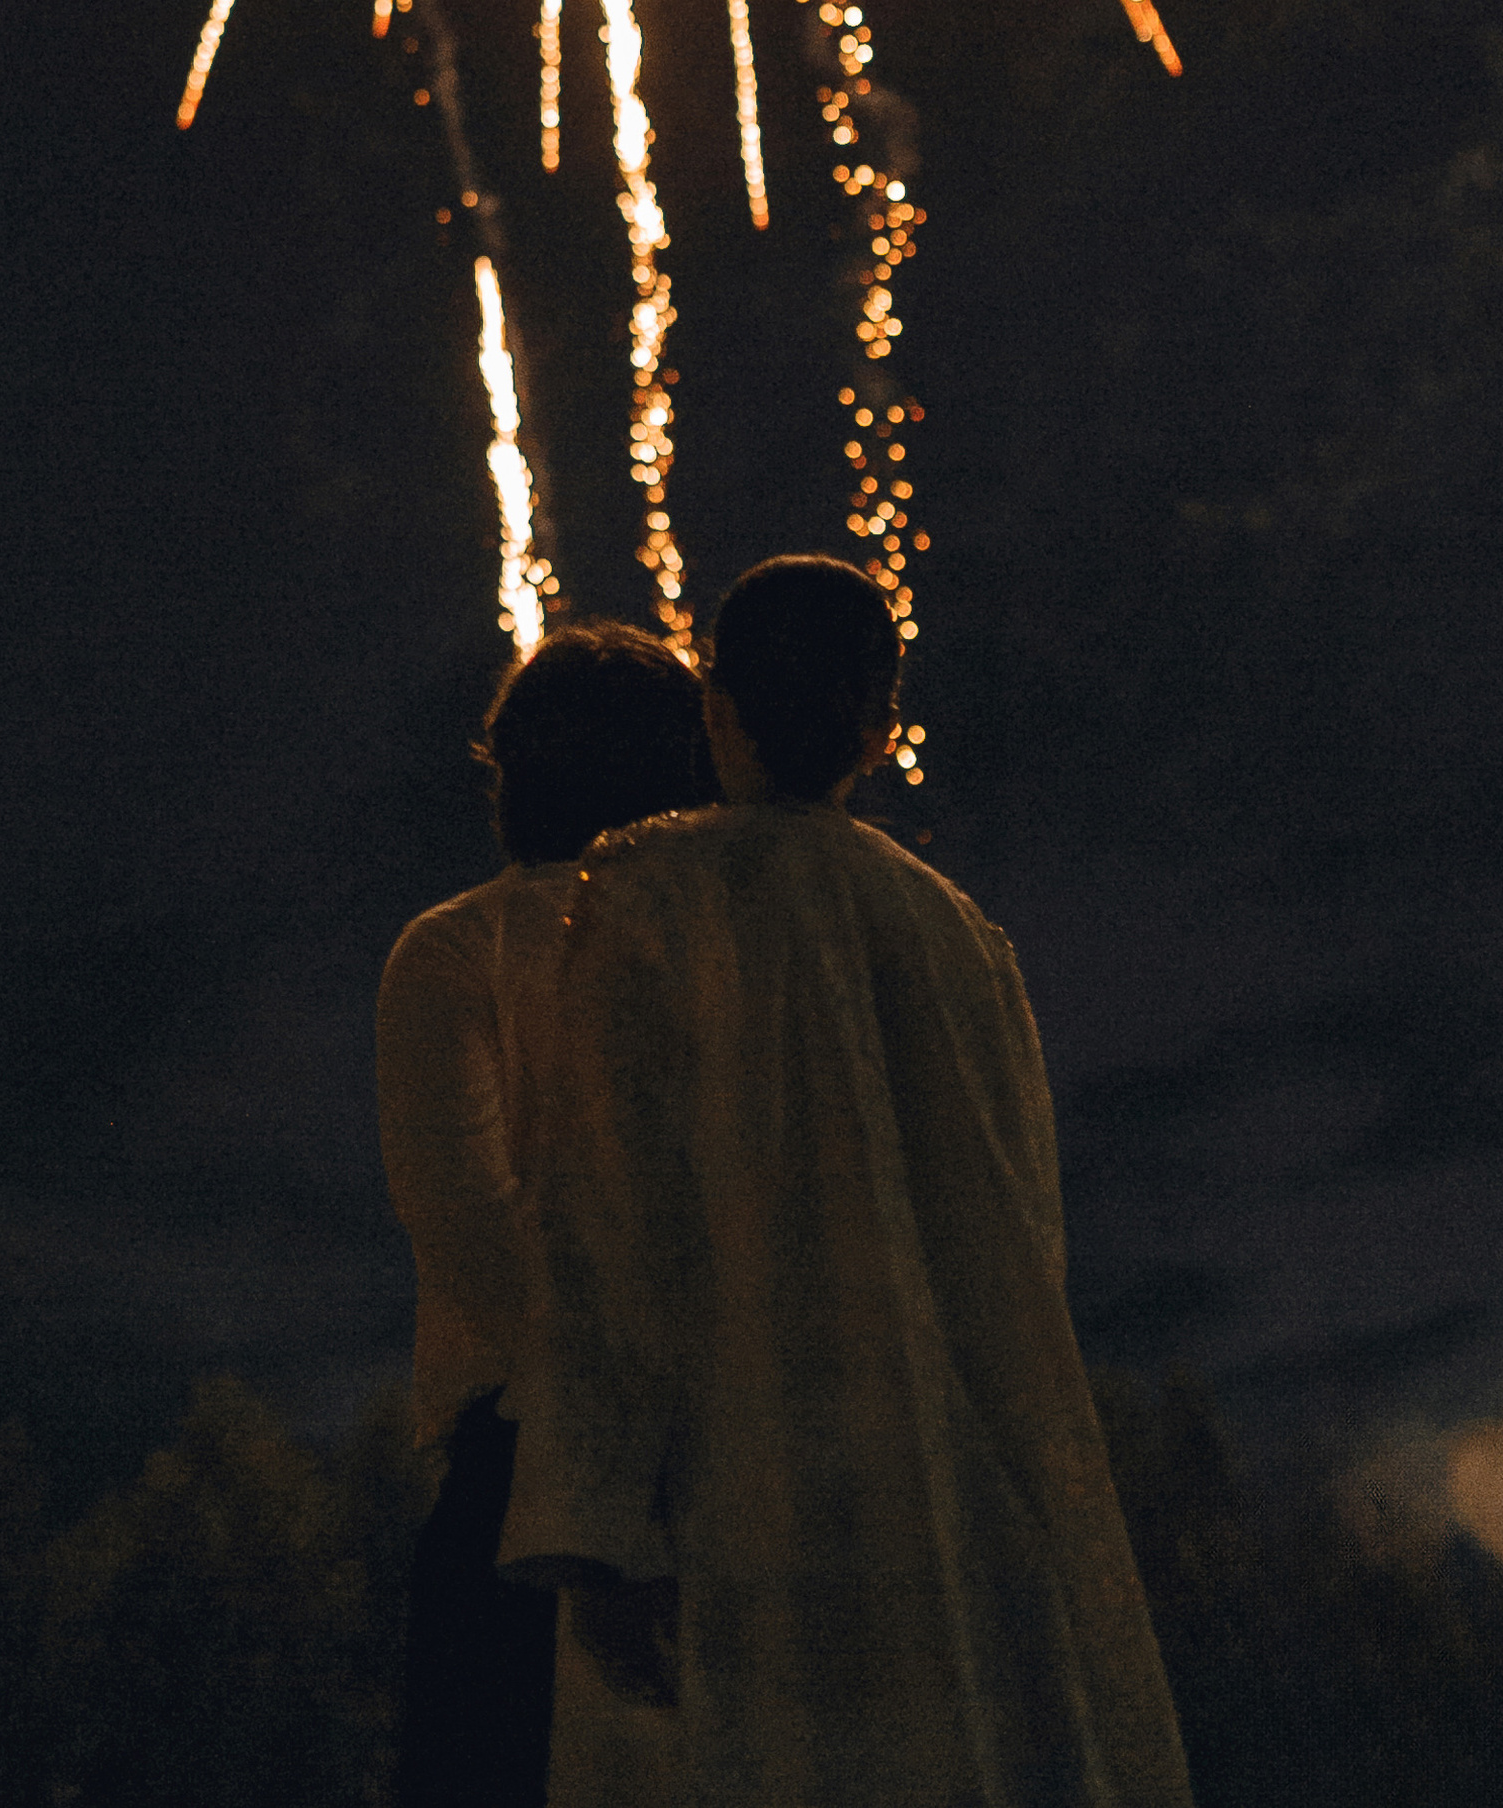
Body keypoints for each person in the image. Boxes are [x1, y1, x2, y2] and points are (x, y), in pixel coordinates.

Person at [499, 556, 1194, 1808]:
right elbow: (1019, 1238)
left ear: (715, 706)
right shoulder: (960, 934)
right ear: (879, 722)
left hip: (738, 1493)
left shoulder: (643, 895)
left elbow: (599, 1226)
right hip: (949, 1493)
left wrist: (592, 1523)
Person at [378, 623, 716, 1808]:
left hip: (523, 1454)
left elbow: (465, 1217)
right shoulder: (732, 953)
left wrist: (595, 1426)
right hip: (727, 1446)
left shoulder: (453, 947)